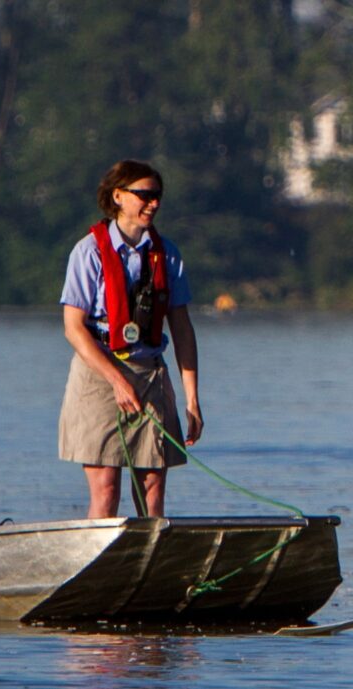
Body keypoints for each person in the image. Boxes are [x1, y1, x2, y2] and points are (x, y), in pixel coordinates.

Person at [59, 159, 203, 518]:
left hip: (151, 373)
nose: (153, 204)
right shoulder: (87, 252)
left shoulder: (167, 254)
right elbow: (73, 328)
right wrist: (117, 381)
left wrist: (192, 398)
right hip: (100, 375)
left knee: (152, 490)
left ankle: (149, 567)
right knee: (106, 489)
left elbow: (182, 328)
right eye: (144, 195)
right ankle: (99, 569)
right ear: (118, 196)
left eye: (157, 196)